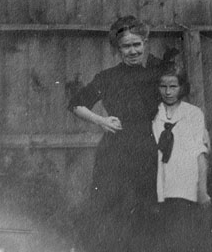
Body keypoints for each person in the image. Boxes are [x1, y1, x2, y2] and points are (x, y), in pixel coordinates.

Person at [68, 16, 165, 252]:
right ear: (117, 49)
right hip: (116, 151)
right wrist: (101, 120)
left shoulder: (159, 73)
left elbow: (178, 103)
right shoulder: (108, 78)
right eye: (126, 46)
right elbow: (76, 104)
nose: (133, 51)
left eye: (137, 44)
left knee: (148, 209)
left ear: (145, 42)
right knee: (111, 208)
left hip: (149, 148)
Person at [152, 66, 211, 252]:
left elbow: (200, 154)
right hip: (158, 186)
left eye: (173, 86)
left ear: (182, 87)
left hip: (184, 188)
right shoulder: (153, 113)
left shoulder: (193, 114)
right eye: (163, 86)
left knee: (181, 240)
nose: (168, 92)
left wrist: (202, 190)